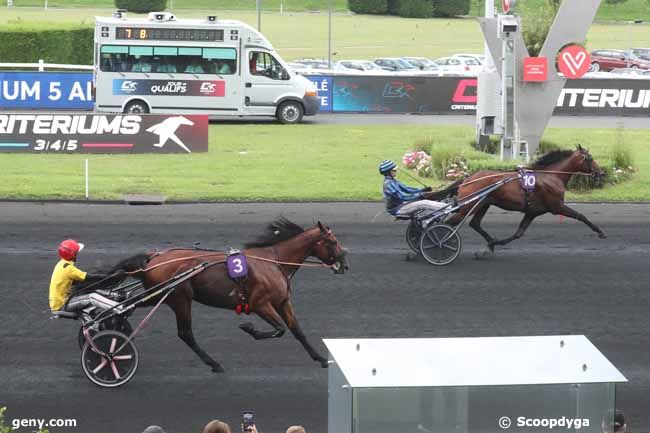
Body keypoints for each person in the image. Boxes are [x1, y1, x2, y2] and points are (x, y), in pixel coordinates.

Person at [49, 239, 122, 315]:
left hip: (61, 300)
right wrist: (111, 276)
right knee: (92, 297)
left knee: (89, 288)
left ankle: (115, 296)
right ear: (73, 255)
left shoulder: (60, 264)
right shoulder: (68, 269)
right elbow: (90, 277)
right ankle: (119, 308)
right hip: (62, 305)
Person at [380, 159, 447, 219]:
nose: (396, 171)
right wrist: (420, 195)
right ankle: (447, 208)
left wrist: (423, 190)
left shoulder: (393, 180)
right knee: (423, 203)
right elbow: (403, 197)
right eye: (394, 170)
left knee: (424, 200)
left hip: (401, 205)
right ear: (388, 172)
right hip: (397, 209)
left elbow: (408, 189)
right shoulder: (388, 184)